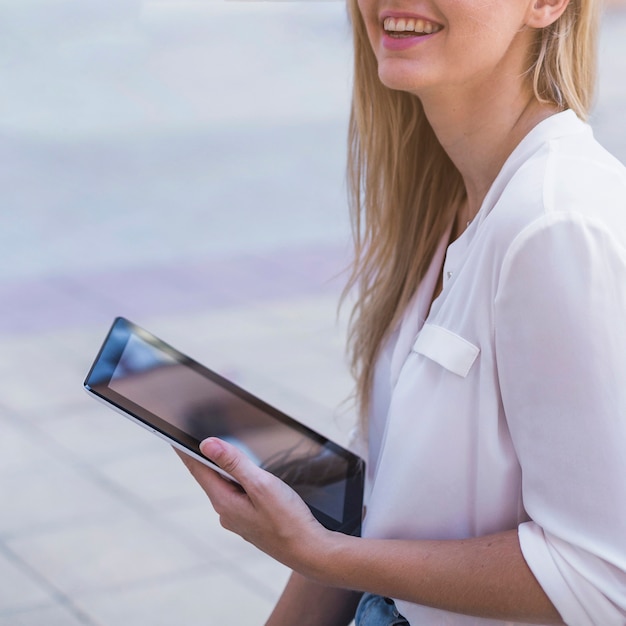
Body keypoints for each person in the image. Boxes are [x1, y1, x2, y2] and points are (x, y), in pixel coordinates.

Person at [177, 0, 626, 621]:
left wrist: (324, 554)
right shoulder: (454, 201)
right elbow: (391, 493)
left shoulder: (554, 223)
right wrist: (316, 507)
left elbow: (600, 578)